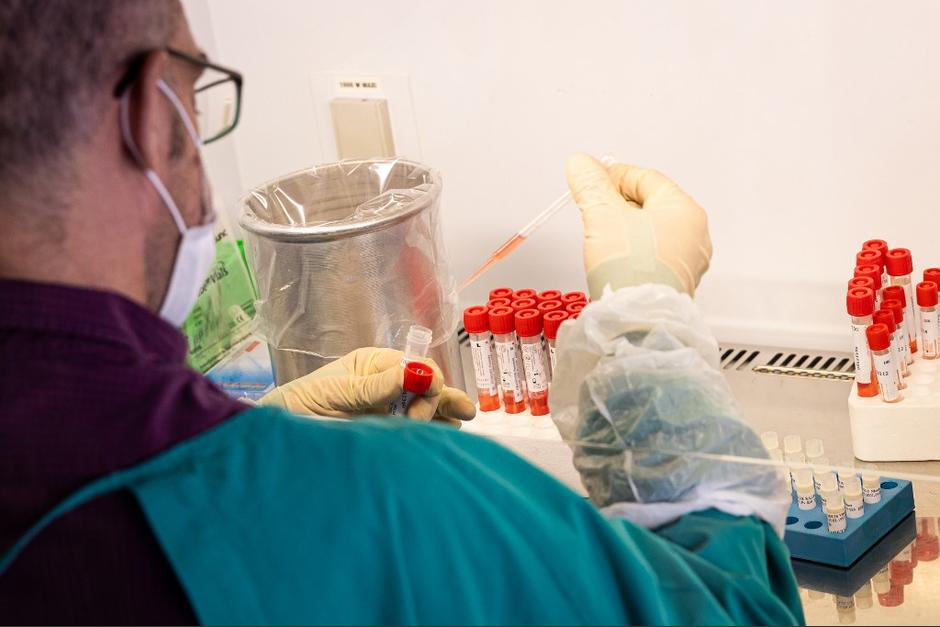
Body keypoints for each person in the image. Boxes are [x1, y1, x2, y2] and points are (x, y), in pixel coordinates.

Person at [0, 1, 803, 625]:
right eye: (198, 97)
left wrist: (268, 424)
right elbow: (731, 609)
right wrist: (646, 324)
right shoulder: (393, 505)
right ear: (153, 111)